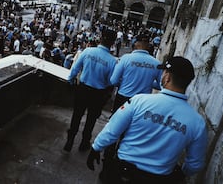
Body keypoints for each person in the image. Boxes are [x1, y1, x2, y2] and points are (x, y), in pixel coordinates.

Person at [87, 56, 208, 184]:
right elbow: (195, 164)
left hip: (123, 173)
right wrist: (182, 173)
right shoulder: (197, 122)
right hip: (159, 179)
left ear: (167, 77)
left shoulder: (139, 101)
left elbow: (112, 131)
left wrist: (96, 148)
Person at [99, 38, 163, 183]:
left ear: (136, 46)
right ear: (148, 48)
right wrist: (146, 81)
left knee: (115, 128)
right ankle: (122, 164)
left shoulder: (126, 58)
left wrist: (127, 80)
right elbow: (160, 85)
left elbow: (114, 80)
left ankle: (106, 164)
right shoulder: (156, 63)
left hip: (123, 99)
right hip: (143, 102)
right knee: (131, 133)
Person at [63, 27, 117, 152]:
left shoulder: (88, 51)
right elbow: (111, 81)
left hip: (83, 89)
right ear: (112, 43)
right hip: (98, 93)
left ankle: (70, 140)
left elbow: (75, 69)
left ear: (101, 38)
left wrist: (70, 81)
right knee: (91, 119)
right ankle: (84, 142)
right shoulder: (112, 61)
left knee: (76, 115)